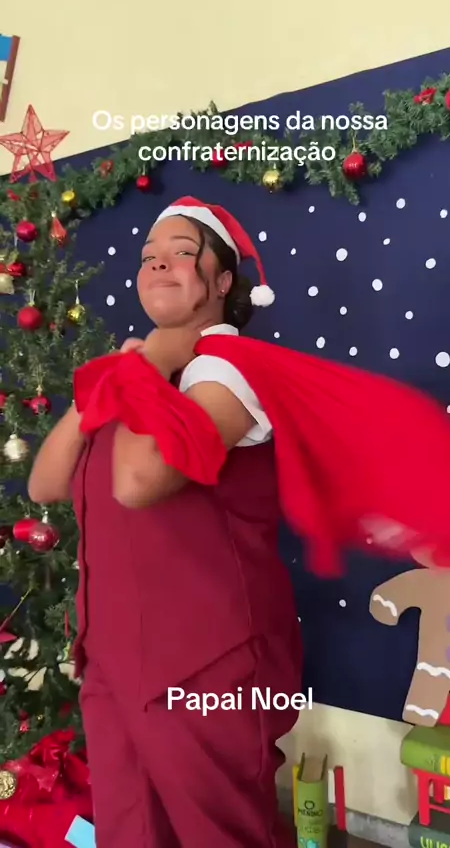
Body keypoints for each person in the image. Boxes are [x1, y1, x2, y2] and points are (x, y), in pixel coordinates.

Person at [28, 197, 302, 848]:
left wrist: (147, 366)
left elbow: (137, 483)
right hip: (114, 659)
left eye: (181, 253)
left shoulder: (231, 370)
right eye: (149, 257)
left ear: (223, 279)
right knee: (132, 832)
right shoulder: (140, 370)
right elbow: (45, 484)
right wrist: (120, 379)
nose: (158, 266)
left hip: (209, 667)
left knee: (219, 835)